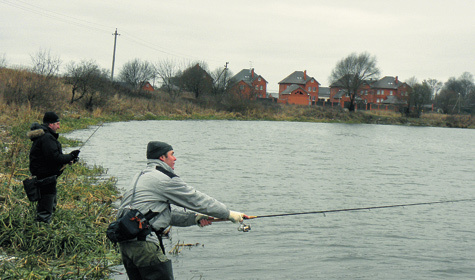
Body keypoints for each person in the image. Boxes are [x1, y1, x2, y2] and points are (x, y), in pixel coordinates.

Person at [117, 141, 247, 280]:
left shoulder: (140, 176)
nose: (175, 158)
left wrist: (194, 218)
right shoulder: (164, 178)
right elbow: (197, 200)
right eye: (172, 154)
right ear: (162, 157)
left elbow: (157, 215)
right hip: (144, 245)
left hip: (126, 245)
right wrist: (228, 213)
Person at [27, 111, 80, 223]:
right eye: (57, 124)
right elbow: (54, 158)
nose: (59, 126)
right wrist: (71, 155)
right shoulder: (47, 138)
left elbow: (51, 158)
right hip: (45, 178)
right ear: (50, 124)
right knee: (45, 210)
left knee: (50, 204)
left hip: (44, 176)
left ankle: (46, 227)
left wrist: (69, 159)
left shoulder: (44, 136)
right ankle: (42, 232)